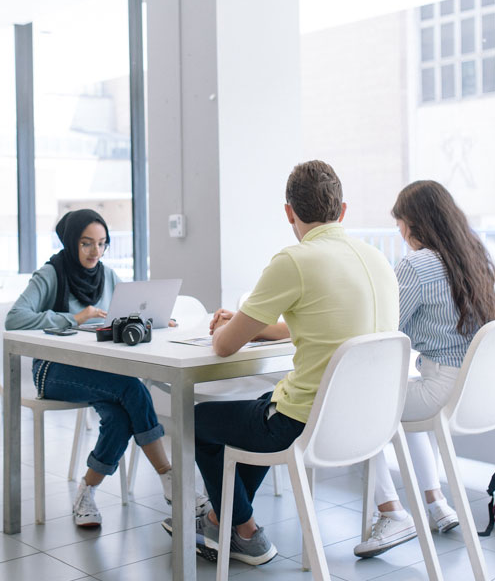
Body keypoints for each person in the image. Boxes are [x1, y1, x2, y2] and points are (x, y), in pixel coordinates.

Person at [162, 160, 400, 565]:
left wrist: (229, 327)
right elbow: (313, 324)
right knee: (264, 403)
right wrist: (255, 328)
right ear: (342, 211)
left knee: (196, 422)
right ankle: (227, 522)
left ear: (288, 212)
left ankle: (246, 530)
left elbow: (222, 348)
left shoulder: (295, 260)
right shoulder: (377, 259)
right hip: (368, 421)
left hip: (303, 424)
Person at [5, 209, 208, 528]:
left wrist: (152, 320)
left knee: (118, 418)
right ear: (71, 242)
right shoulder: (51, 274)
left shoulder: (108, 275)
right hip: (52, 371)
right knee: (132, 388)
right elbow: (14, 318)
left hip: (96, 370)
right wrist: (74, 318)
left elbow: (123, 315)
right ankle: (170, 479)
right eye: (86, 243)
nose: (94, 252)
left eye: (101, 244)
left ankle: (86, 490)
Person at [354, 180, 495, 558]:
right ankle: (437, 504)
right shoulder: (473, 256)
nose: (399, 232)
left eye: (400, 223)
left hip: (442, 389)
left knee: (357, 406)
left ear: (412, 223)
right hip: (476, 390)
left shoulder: (416, 264)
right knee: (401, 394)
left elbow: (387, 327)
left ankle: (392, 512)